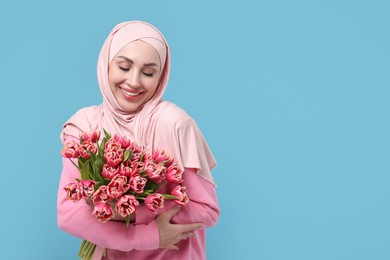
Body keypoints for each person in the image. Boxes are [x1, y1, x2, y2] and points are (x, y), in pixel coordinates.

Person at [57, 21, 220, 259]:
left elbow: (206, 210)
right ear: (106, 65)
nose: (134, 82)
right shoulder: (84, 126)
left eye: (148, 73)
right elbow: (69, 215)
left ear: (161, 76)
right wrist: (147, 234)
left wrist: (132, 214)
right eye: (124, 67)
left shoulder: (175, 124)